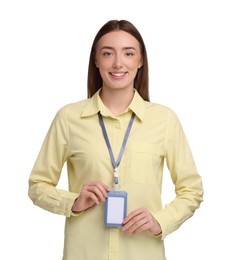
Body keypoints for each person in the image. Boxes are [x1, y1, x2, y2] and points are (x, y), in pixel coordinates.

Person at [28, 19, 203, 260]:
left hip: (143, 253)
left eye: (128, 53)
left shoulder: (165, 120)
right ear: (96, 60)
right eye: (108, 53)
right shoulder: (68, 118)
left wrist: (160, 221)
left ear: (140, 61)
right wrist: (73, 202)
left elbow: (192, 190)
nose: (118, 63)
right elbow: (37, 186)